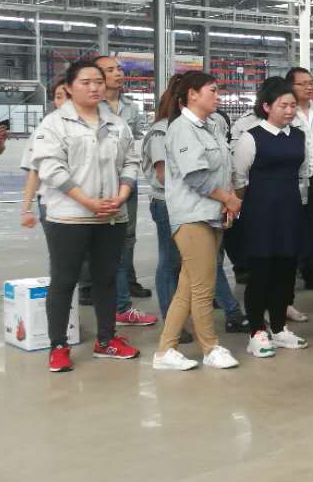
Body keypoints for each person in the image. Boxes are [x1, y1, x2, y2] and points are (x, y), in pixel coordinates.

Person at [29, 59, 143, 372]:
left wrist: (122, 194)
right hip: (69, 218)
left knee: (106, 278)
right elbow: (51, 169)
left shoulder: (117, 124)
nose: (94, 87)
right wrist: (88, 202)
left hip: (111, 216)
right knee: (64, 280)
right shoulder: (54, 124)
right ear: (69, 87)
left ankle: (106, 340)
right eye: (86, 82)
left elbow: (131, 161)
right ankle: (58, 346)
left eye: (98, 82)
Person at [143, 75, 248, 342]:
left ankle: (166, 349)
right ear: (192, 94)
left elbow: (225, 169)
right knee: (203, 288)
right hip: (192, 216)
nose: (218, 96)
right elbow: (196, 176)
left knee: (187, 289)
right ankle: (210, 347)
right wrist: (228, 199)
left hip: (211, 213)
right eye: (212, 90)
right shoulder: (181, 129)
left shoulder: (211, 126)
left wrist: (227, 200)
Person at [231, 77, 310, 358]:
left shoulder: (298, 136)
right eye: (283, 105)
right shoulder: (251, 137)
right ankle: (257, 331)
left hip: (289, 210)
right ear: (266, 107)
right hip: (259, 212)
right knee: (261, 273)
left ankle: (278, 328)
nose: (289, 111)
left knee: (285, 272)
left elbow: (303, 173)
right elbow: (239, 178)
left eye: (292, 105)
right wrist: (240, 210)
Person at [94, 54, 151, 302]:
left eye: (119, 69)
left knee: (128, 234)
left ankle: (128, 280)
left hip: (127, 180)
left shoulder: (131, 107)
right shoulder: (91, 106)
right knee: (93, 233)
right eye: (110, 70)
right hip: (98, 181)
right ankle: (89, 285)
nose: (118, 73)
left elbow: (136, 139)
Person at [286, 66, 313, 293]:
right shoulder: (286, 113)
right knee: (292, 228)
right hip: (293, 177)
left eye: (311, 83)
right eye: (303, 83)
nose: (309, 87)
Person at [20, 78, 68, 229]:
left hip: (90, 205)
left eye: (69, 96)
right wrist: (26, 209)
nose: (64, 102)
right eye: (59, 97)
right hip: (52, 203)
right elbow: (34, 170)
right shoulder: (44, 129)